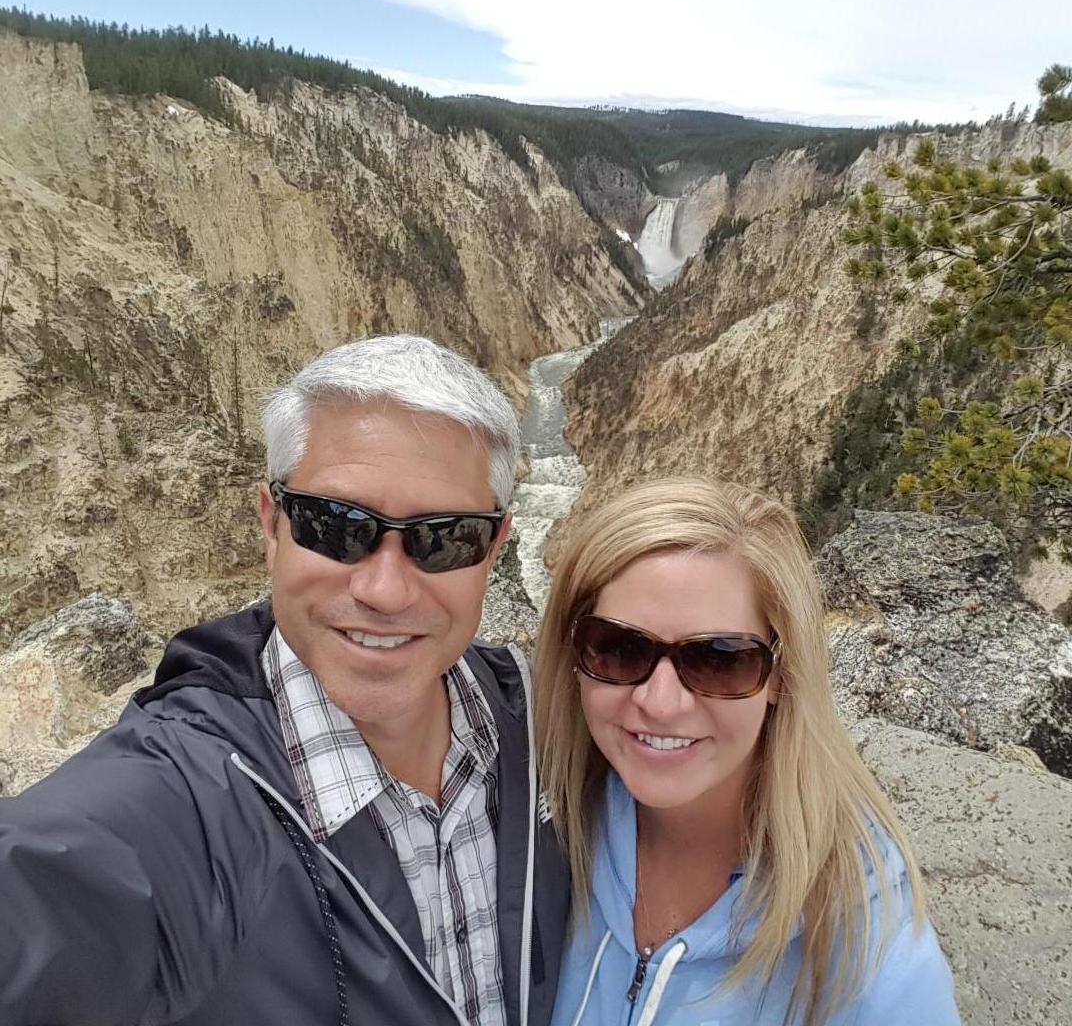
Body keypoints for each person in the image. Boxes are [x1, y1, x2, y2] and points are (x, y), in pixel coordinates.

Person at [0, 335, 569, 1026]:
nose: (385, 589)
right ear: (272, 523)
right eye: (336, 526)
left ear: (497, 548)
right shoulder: (182, 807)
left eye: (444, 537)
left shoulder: (550, 726)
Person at [535, 477, 960, 1026]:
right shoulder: (544, 830)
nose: (661, 703)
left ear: (781, 675)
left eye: (718, 659)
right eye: (620, 649)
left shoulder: (870, 959)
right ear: (573, 651)